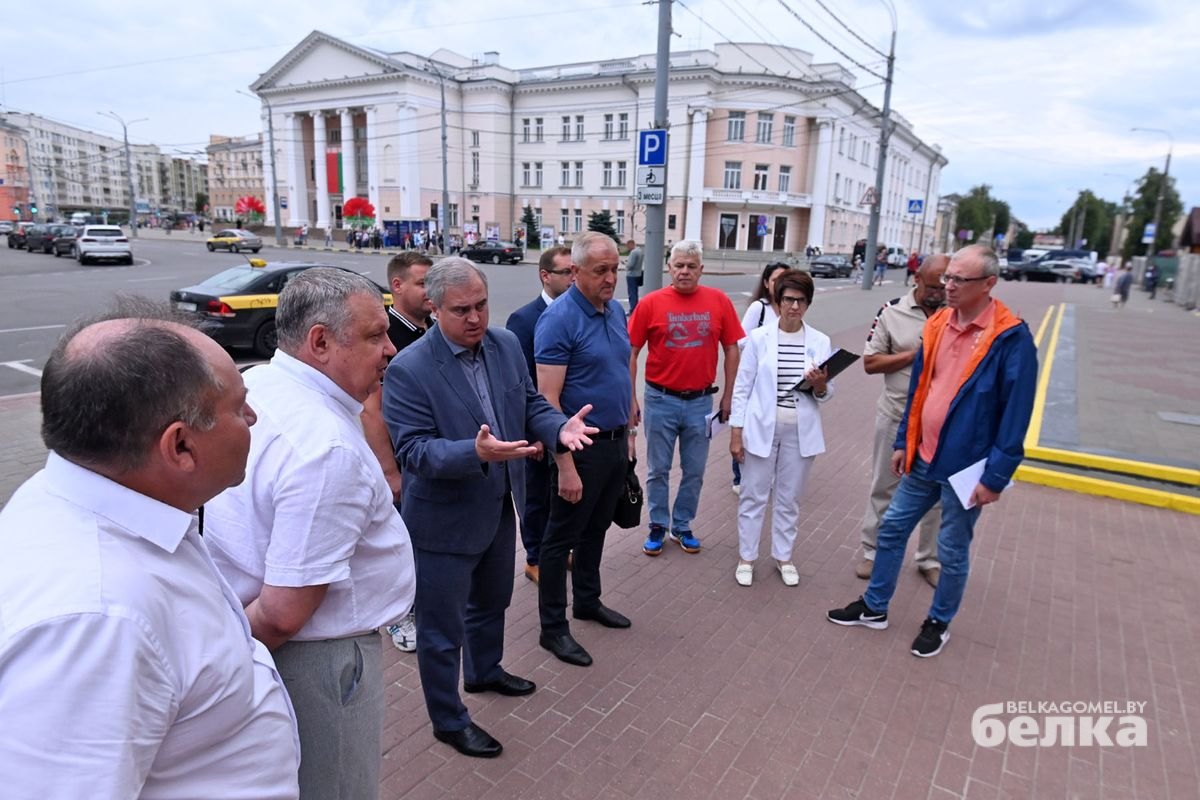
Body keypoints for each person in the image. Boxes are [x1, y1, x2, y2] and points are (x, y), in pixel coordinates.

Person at [0, 300, 300, 798]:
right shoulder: (96, 622)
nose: (252, 417)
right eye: (236, 405)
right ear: (179, 446)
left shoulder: (107, 506)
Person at [204, 269, 416, 798]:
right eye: (374, 336)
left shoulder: (261, 385)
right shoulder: (326, 449)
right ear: (320, 341)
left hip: (274, 641)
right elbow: (282, 611)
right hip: (319, 662)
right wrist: (224, 662)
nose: (390, 349)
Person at [383, 258, 596, 758]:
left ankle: (483, 672)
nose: (476, 317)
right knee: (440, 630)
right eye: (462, 310)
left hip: (499, 506)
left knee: (492, 601)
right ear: (434, 309)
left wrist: (558, 429)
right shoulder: (409, 369)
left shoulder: (503, 346)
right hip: (441, 521)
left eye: (481, 305)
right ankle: (448, 719)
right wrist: (472, 452)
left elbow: (529, 404)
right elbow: (412, 451)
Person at [827, 245, 1037, 658]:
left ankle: (938, 621)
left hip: (966, 467)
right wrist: (905, 441)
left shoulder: (1011, 338)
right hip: (923, 457)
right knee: (891, 529)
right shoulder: (939, 323)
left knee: (952, 549)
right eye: (948, 278)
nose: (949, 286)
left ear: (988, 284)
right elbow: (919, 391)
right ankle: (875, 607)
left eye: (960, 279)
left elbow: (1016, 415)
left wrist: (995, 476)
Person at [534, 231, 635, 668]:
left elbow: (620, 369)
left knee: (597, 530)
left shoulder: (614, 310)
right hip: (580, 449)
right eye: (601, 271)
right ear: (574, 272)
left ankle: (588, 602)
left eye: (615, 269)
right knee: (560, 540)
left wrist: (630, 424)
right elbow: (547, 401)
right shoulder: (559, 320)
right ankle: (552, 629)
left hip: (614, 443)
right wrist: (566, 465)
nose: (611, 278)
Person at [629, 239, 743, 556]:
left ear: (701, 270)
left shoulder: (718, 301)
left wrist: (728, 396)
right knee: (658, 469)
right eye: (679, 265)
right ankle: (657, 524)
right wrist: (631, 398)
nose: (684, 271)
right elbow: (631, 351)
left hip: (700, 403)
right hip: (660, 399)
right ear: (669, 268)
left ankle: (682, 524)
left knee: (695, 470)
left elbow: (732, 347)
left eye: (691, 266)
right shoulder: (651, 303)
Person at [729, 271, 833, 587]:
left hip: (799, 432)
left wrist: (821, 385)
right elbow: (742, 388)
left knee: (790, 498)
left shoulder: (820, 341)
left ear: (808, 304)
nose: (794, 307)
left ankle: (783, 556)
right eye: (788, 299)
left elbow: (827, 394)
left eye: (801, 301)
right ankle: (747, 557)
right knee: (753, 495)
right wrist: (736, 433)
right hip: (761, 427)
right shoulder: (759, 339)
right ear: (778, 301)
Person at [355, 252, 436, 653]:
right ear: (398, 286)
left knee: (425, 539)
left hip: (430, 457)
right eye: (423, 283)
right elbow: (373, 408)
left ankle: (425, 603)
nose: (430, 291)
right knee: (398, 540)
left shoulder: (434, 329)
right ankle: (400, 615)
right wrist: (390, 470)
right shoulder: (389, 337)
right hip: (402, 462)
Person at [856, 255, 949, 585]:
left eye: (945, 286)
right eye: (933, 286)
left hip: (940, 423)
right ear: (917, 279)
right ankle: (871, 550)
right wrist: (916, 355)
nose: (940, 293)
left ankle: (928, 558)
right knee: (884, 486)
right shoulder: (891, 311)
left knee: (937, 494)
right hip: (895, 415)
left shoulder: (957, 315)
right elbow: (870, 362)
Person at [505, 245, 575, 583]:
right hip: (537, 425)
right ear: (545, 275)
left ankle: (560, 550)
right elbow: (521, 382)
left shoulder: (579, 313)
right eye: (566, 273)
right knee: (536, 496)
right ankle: (534, 556)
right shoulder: (523, 319)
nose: (573, 279)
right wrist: (534, 430)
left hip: (570, 422)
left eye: (576, 271)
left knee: (564, 493)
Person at [731, 261, 791, 494]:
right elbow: (741, 340)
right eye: (775, 280)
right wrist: (765, 346)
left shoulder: (790, 307)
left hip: (779, 382)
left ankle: (769, 473)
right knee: (747, 425)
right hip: (756, 379)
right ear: (766, 283)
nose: (780, 284)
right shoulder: (760, 308)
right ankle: (739, 476)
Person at [625, 239, 644, 311]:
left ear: (631, 244)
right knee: (635, 292)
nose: (627, 248)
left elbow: (630, 265)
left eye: (628, 246)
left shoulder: (633, 252)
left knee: (631, 293)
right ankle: (636, 308)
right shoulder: (640, 251)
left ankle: (632, 309)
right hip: (638, 274)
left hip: (631, 275)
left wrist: (626, 264)